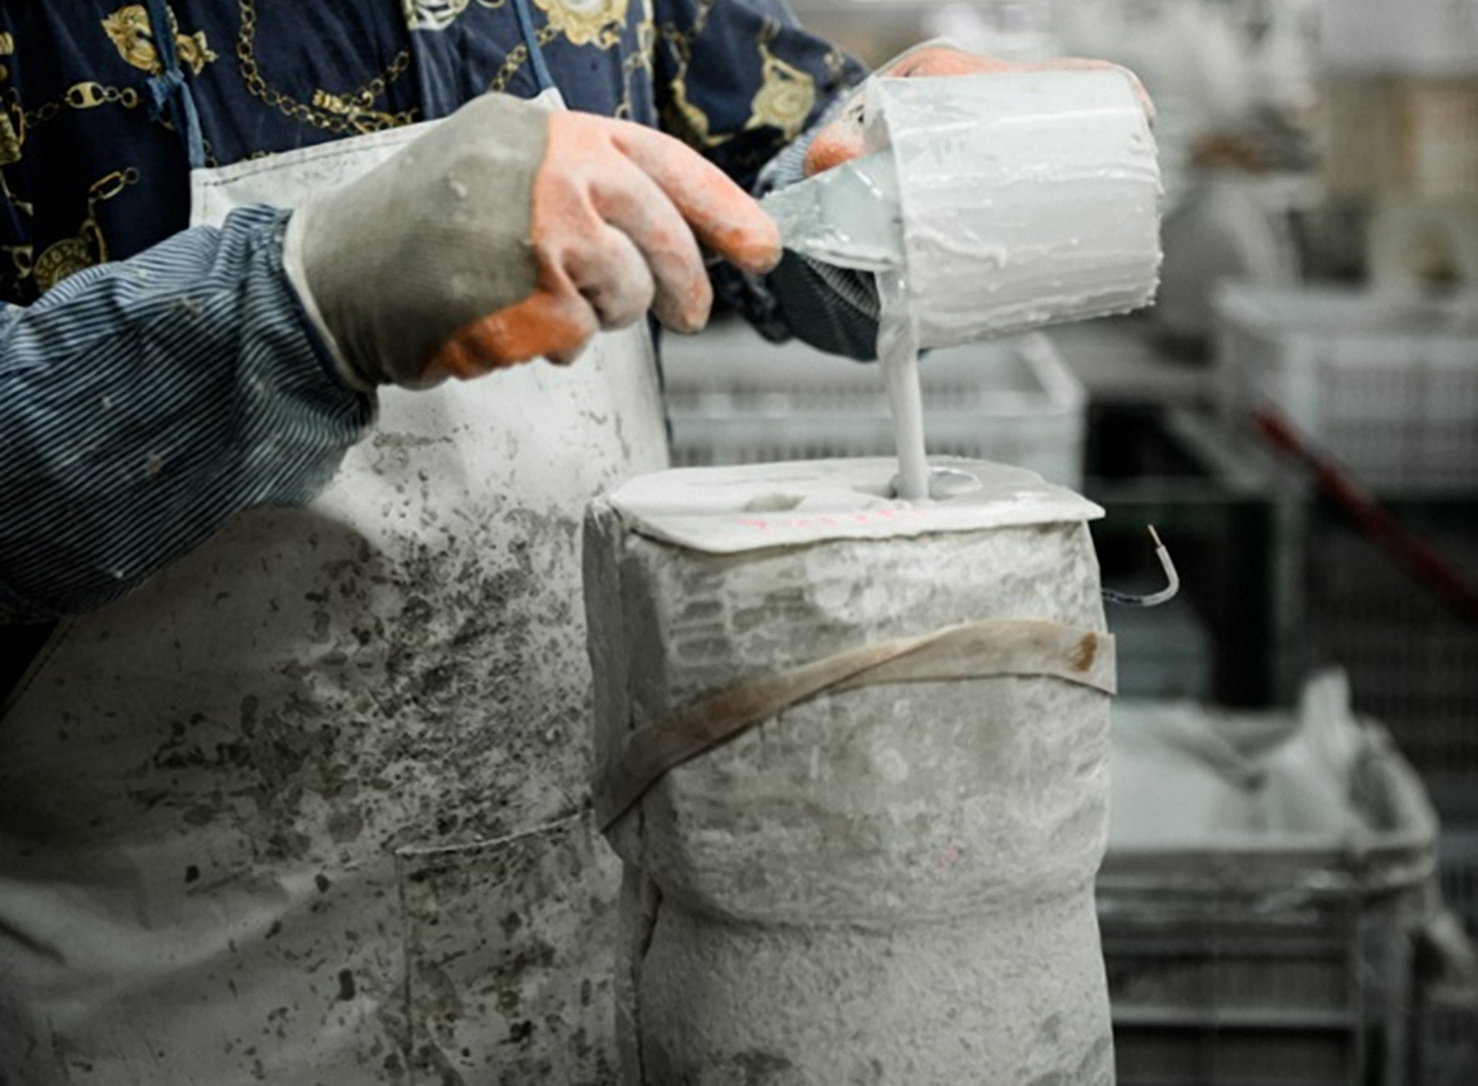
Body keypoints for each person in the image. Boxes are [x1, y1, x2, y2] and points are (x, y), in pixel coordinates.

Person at [0, 3, 1134, 1082]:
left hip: (611, 923)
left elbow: (761, 191)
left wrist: (905, 183)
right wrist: (310, 300)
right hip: (184, 986)